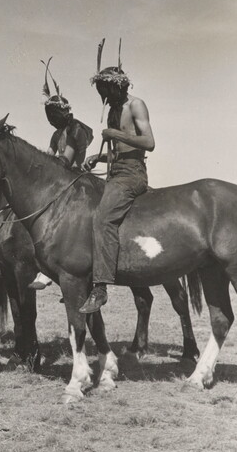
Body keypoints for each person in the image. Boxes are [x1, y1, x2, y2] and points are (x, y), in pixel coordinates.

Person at [79, 62, 155, 314]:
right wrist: (98, 157)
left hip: (132, 174)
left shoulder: (136, 104)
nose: (105, 98)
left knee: (102, 219)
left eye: (107, 92)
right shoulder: (114, 109)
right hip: (115, 172)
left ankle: (100, 288)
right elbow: (119, 150)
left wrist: (115, 134)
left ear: (118, 86)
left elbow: (149, 142)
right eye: (101, 93)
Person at [29, 69, 93, 290]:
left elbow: (66, 160)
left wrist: (47, 163)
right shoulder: (56, 134)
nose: (51, 120)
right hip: (61, 177)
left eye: (53, 116)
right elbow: (49, 154)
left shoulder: (77, 129)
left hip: (76, 178)